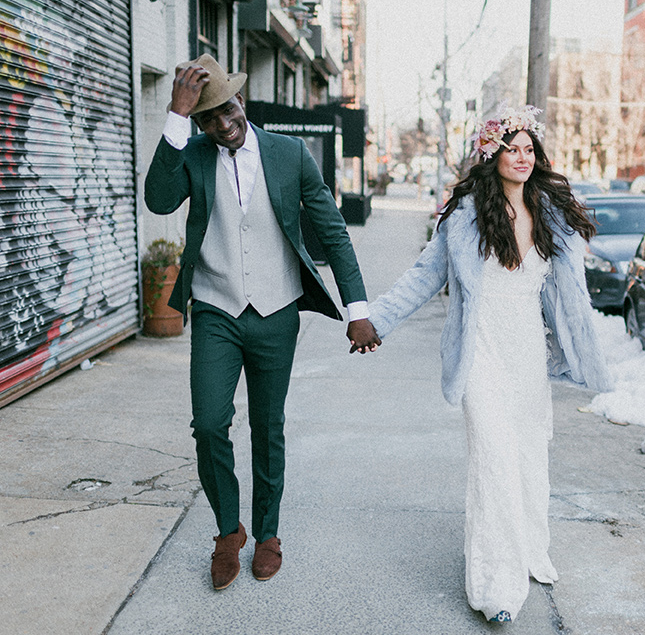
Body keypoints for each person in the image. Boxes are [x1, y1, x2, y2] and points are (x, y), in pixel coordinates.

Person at [366, 103, 612, 623]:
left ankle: (526, 551)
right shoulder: (463, 218)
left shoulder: (550, 215)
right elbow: (422, 276)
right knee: (494, 462)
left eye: (529, 150)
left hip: (526, 351)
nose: (522, 158)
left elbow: (572, 296)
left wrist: (584, 349)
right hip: (480, 352)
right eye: (511, 149)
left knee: (527, 458)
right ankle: (496, 588)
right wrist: (377, 320)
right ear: (491, 154)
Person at [143, 54, 380, 591]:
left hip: (276, 313)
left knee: (267, 427)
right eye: (209, 118)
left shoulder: (288, 153)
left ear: (241, 100)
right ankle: (230, 532)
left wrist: (357, 309)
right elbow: (158, 200)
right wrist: (176, 118)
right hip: (215, 310)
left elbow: (332, 230)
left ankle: (268, 534)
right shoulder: (194, 152)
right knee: (209, 424)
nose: (224, 125)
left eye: (227, 110)